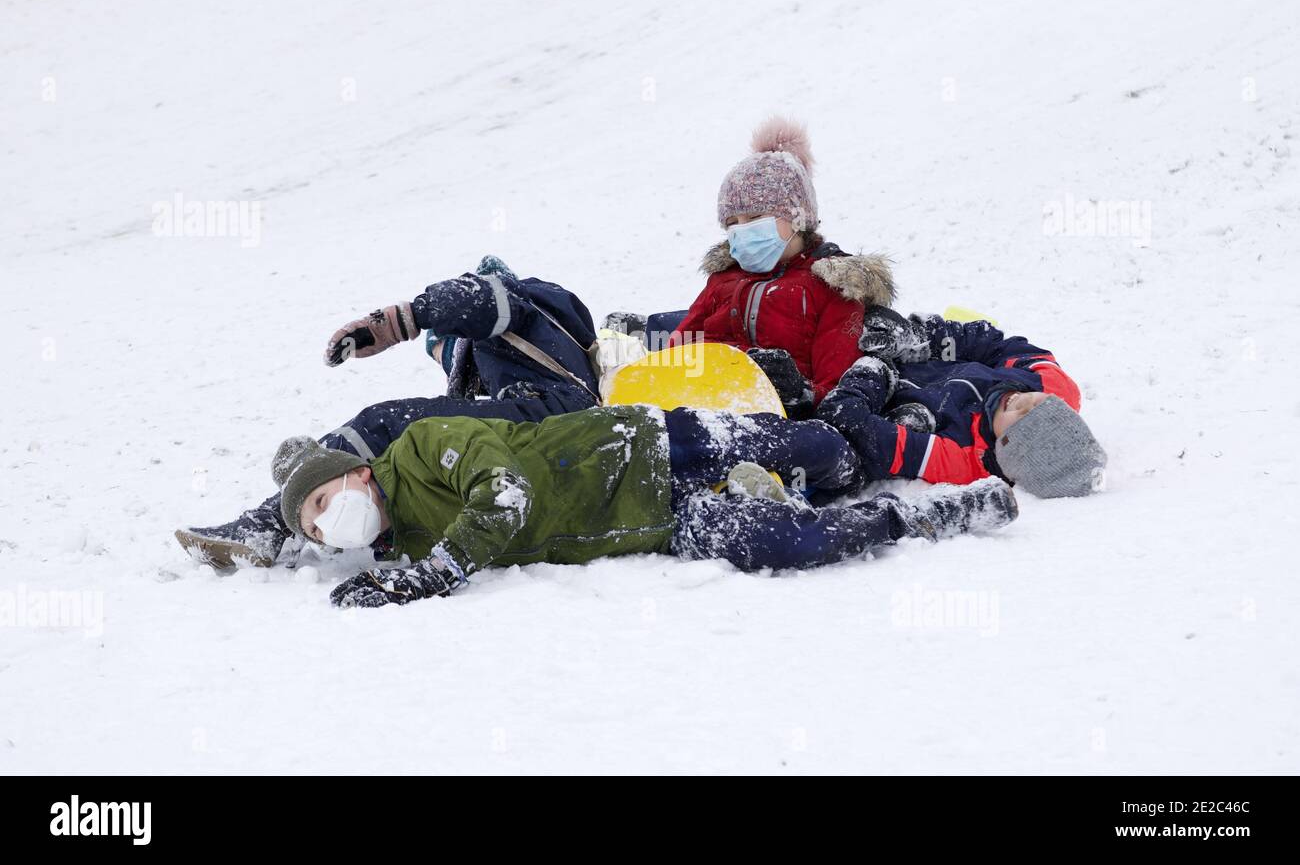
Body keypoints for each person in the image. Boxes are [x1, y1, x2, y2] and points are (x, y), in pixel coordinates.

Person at [267, 405, 1019, 608]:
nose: (329, 520)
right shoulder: (399, 549)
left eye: (329, 498)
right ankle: (926, 516)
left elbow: (507, 494)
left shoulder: (428, 446)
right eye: (314, 522)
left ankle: (904, 417)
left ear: (361, 474)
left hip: (650, 447)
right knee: (786, 543)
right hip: (660, 522)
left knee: (823, 448)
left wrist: (436, 572)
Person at [175, 258, 604, 568]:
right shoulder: (492, 347)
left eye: (443, 346)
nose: (442, 354)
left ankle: (276, 518)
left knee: (390, 421)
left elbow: (478, 300)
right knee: (413, 434)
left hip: (558, 412)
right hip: (543, 413)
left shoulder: (514, 303)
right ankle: (322, 502)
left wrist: (399, 322)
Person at [663, 116, 896, 417]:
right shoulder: (723, 280)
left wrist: (799, 391)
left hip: (779, 418)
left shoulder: (832, 286)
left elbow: (839, 388)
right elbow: (676, 350)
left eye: (756, 218)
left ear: (798, 218)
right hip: (705, 404)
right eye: (732, 223)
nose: (742, 231)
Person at [816, 309, 1107, 498]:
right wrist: (922, 338)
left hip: (859, 382)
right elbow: (992, 343)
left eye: (1022, 419)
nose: (1023, 402)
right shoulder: (1052, 385)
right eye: (1040, 404)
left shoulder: (965, 460)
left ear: (1008, 452)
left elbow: (873, 440)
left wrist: (869, 376)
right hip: (899, 349)